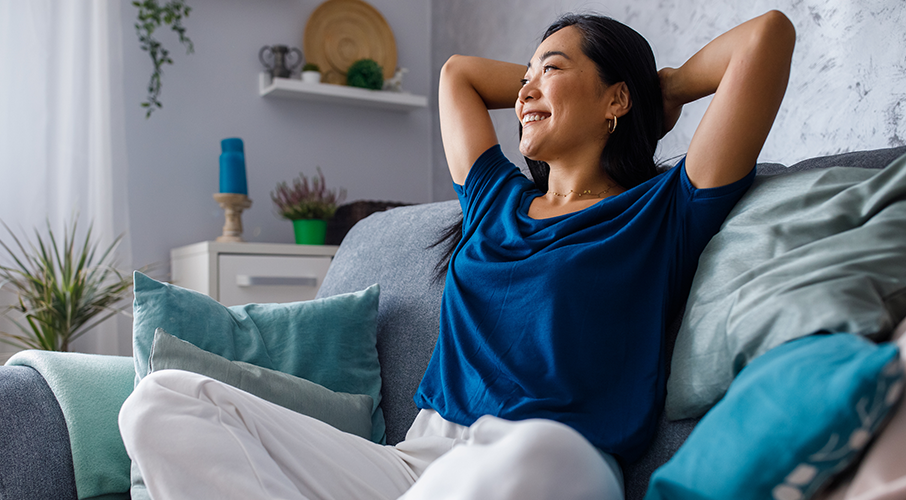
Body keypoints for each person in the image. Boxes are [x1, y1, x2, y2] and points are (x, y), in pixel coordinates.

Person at [119, 11, 795, 500]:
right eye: (524, 76)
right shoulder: (494, 201)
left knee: (532, 455)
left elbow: (765, 38)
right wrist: (551, 78)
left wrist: (658, 87)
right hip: (421, 459)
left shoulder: (663, 211)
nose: (524, 91)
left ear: (615, 98)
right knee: (162, 402)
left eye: (550, 71)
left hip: (552, 458)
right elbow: (458, 77)